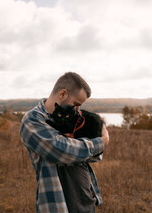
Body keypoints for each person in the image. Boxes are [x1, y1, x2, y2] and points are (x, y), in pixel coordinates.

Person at [20, 72, 109, 213]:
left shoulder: (71, 117)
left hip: (85, 200)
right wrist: (101, 142)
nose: (77, 110)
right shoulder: (33, 120)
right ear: (62, 94)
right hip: (58, 204)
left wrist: (85, 148)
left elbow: (95, 156)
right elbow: (62, 151)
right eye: (76, 104)